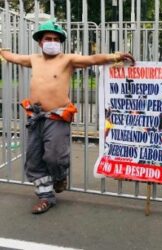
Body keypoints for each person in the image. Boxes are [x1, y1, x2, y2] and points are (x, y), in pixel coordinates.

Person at [0, 20, 135, 214]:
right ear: (40, 42)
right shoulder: (33, 59)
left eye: (56, 39)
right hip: (36, 117)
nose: (52, 42)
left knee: (55, 157)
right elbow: (13, 57)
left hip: (57, 117)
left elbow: (92, 59)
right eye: (48, 38)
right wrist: (2, 51)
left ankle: (60, 176)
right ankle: (45, 197)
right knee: (34, 160)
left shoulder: (67, 60)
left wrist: (115, 56)